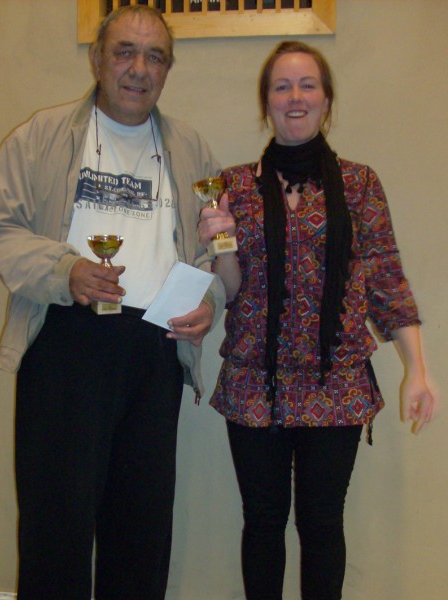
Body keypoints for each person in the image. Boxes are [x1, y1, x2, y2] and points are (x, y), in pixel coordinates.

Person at [0, 6, 225, 600]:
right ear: (97, 59)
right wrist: (65, 271)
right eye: (124, 52)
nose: (139, 69)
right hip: (65, 343)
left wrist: (209, 303)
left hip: (157, 351)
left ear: (168, 69)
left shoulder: (191, 148)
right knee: (55, 524)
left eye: (155, 56)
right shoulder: (41, 136)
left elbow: (212, 251)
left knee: (141, 530)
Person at [198, 40, 435, 599]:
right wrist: (219, 242)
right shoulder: (233, 186)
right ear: (267, 102)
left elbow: (385, 278)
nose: (295, 97)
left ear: (327, 99)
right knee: (262, 523)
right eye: (282, 86)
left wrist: (419, 370)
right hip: (254, 385)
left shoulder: (359, 184)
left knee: (322, 525)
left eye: (308, 85)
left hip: (337, 387)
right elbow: (230, 290)